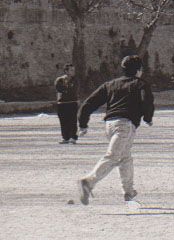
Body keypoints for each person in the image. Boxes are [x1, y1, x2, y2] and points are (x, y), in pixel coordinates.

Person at [76, 55, 154, 205]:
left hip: (110, 125)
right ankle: (88, 182)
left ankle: (129, 192)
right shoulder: (140, 84)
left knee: (125, 157)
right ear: (138, 71)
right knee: (113, 157)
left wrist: (83, 123)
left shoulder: (110, 84)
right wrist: (148, 118)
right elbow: (147, 101)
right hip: (125, 125)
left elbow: (88, 103)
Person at [54, 70, 78, 144]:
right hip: (62, 103)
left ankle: (73, 137)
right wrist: (66, 88)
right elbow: (59, 89)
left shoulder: (75, 80)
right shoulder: (59, 80)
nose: (73, 71)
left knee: (73, 120)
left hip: (72, 102)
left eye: (73, 70)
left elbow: (74, 90)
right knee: (63, 121)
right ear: (66, 71)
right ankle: (65, 137)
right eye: (71, 70)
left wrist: (67, 88)